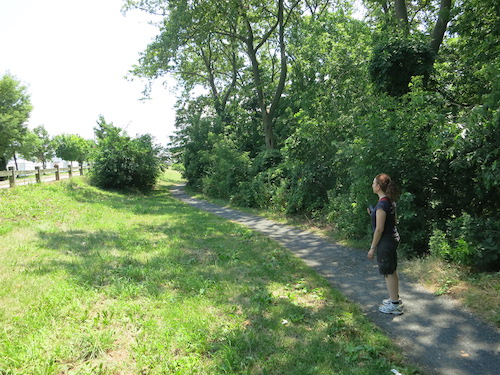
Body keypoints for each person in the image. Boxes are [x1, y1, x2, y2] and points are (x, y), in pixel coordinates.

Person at [367, 173, 403, 315]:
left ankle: (395, 306)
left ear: (378, 186)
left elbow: (379, 229)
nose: (372, 185)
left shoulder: (382, 205)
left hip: (386, 241)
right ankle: (395, 298)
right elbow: (392, 221)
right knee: (392, 270)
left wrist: (372, 248)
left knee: (388, 272)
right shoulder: (389, 201)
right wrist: (373, 214)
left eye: (373, 183)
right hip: (393, 238)